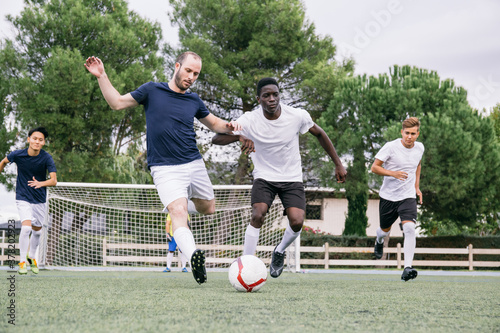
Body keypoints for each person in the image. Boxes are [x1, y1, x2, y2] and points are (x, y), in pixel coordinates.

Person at [84, 52, 242, 284]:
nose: (191, 77)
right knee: (178, 212)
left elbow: (216, 124)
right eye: (188, 70)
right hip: (165, 167)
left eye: (196, 74)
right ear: (177, 66)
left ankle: (175, 202)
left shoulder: (194, 100)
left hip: (193, 162)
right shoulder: (151, 90)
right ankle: (193, 256)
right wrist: (102, 75)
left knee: (208, 208)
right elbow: (116, 103)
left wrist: (233, 126)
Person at [212, 77, 347, 278]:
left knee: (297, 221)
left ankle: (279, 251)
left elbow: (319, 133)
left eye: (275, 94)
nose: (272, 99)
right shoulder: (249, 120)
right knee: (258, 214)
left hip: (291, 177)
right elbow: (216, 138)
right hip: (264, 177)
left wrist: (337, 163)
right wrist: (240, 136)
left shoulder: (297, 116)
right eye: (266, 95)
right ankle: (246, 264)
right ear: (259, 99)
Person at [370, 117, 424, 281]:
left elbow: (418, 165)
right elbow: (374, 167)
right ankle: (379, 240)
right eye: (407, 133)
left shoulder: (419, 148)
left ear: (417, 134)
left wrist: (416, 187)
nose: (409, 137)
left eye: (413, 134)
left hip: (407, 197)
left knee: (409, 229)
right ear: (402, 132)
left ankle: (407, 268)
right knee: (384, 230)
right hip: (388, 197)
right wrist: (393, 173)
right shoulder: (391, 147)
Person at [0, 127, 57, 275]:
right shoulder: (17, 155)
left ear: (44, 142)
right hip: (23, 196)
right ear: (29, 139)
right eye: (34, 138)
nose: (37, 141)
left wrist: (40, 183)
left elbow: (53, 181)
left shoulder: (46, 158)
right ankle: (22, 262)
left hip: (39, 199)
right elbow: (4, 162)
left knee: (37, 232)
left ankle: (31, 257)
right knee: (26, 228)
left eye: (40, 139)